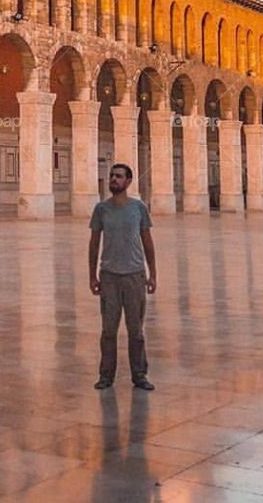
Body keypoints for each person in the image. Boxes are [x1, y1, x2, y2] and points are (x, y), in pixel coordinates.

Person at [89, 163, 156, 391]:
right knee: (108, 331)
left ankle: (139, 375)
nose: (113, 180)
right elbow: (94, 242)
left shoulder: (138, 208)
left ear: (128, 182)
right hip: (109, 277)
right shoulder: (101, 209)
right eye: (111, 176)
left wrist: (152, 272)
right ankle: (106, 375)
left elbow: (147, 241)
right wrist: (92, 275)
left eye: (118, 177)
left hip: (134, 276)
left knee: (136, 331)